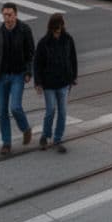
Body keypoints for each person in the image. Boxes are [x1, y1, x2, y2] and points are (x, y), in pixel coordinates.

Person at [0, 2, 34, 157]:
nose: (7, 18)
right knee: (2, 112)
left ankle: (25, 129)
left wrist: (28, 72)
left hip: (18, 75)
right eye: (4, 14)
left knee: (15, 107)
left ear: (16, 14)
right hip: (1, 77)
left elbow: (30, 53)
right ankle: (6, 143)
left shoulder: (24, 30)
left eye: (9, 14)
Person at [34, 13, 77, 153]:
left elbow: (73, 59)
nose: (59, 28)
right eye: (57, 26)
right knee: (51, 110)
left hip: (64, 82)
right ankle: (45, 136)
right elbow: (37, 64)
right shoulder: (44, 42)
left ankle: (57, 139)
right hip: (49, 84)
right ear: (52, 26)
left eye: (61, 25)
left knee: (63, 112)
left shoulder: (68, 39)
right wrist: (38, 82)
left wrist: (73, 76)